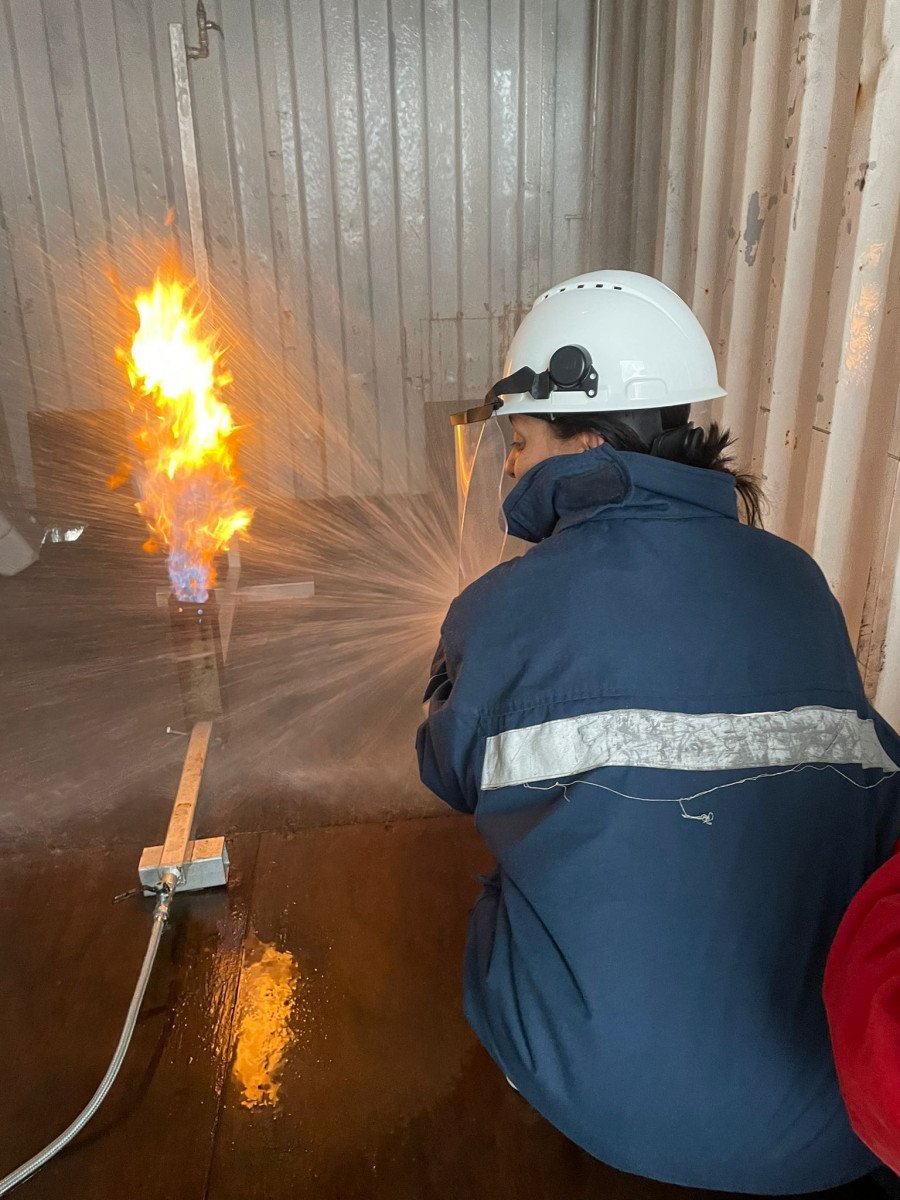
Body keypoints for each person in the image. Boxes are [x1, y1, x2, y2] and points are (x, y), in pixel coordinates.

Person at [416, 271, 900, 1194]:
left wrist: (458, 673)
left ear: (587, 440)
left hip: (624, 1111)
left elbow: (447, 770)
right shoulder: (798, 579)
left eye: (518, 442)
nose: (509, 469)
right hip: (840, 1114)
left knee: (502, 881)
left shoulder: (504, 606)